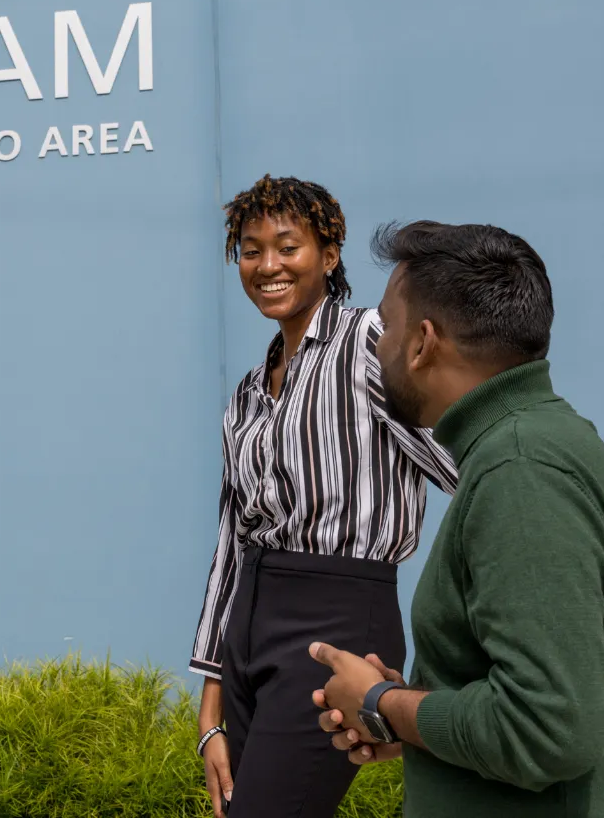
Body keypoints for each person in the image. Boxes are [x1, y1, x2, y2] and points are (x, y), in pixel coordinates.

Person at [311, 221, 604, 816]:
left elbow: (545, 729)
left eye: (388, 327)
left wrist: (382, 704)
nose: (378, 347)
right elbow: (554, 701)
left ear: (423, 343)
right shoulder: (545, 443)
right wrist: (421, 715)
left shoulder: (520, 469)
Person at [192, 175, 458, 818]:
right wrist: (210, 707)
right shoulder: (248, 394)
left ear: (330, 255)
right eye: (251, 251)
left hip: (336, 623)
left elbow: (460, 462)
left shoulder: (370, 343)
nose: (268, 266)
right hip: (249, 628)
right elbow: (231, 544)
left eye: (288, 247)